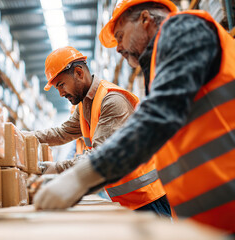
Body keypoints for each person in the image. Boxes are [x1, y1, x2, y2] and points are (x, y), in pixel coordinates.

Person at [33, 0, 235, 233]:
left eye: (120, 35)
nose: (117, 48)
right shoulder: (159, 64)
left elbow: (156, 119)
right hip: (208, 215)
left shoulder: (184, 30)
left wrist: (80, 177)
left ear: (145, 19)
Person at [30, 46, 171, 217]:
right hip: (125, 199)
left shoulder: (111, 101)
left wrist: (55, 169)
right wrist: (26, 137)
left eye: (61, 85)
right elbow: (62, 133)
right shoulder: (84, 105)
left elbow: (98, 154)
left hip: (148, 198)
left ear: (79, 73)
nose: (60, 93)